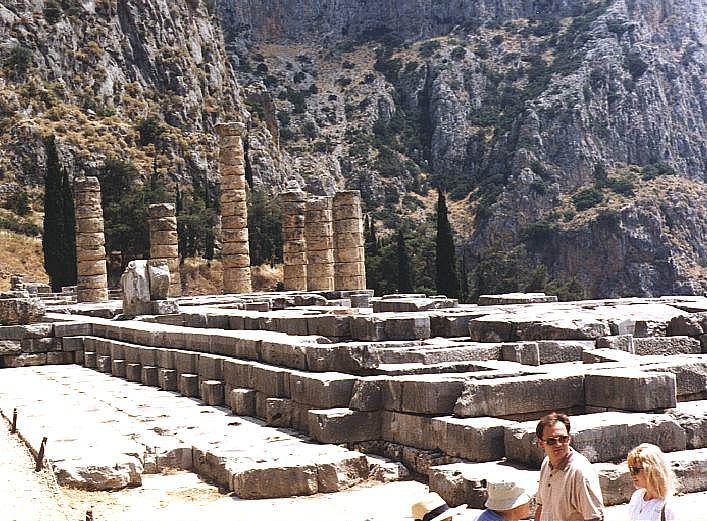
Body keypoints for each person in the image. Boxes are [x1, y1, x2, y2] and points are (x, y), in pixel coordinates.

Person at [534, 412, 604, 521]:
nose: (558, 444)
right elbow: (542, 506)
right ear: (541, 443)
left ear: (569, 438)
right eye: (551, 441)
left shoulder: (580, 473)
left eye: (563, 439)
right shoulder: (547, 463)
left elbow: (595, 517)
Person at [626, 443, 677, 520]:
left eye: (636, 470)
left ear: (652, 471)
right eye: (631, 469)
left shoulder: (667, 507)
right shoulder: (636, 497)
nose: (632, 474)